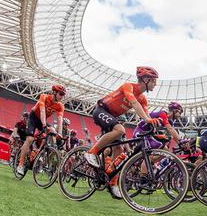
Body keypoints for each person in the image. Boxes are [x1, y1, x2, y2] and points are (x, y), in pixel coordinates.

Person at [83, 66, 161, 198]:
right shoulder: (128, 87)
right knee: (120, 129)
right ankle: (91, 152)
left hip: (113, 117)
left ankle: (113, 183)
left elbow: (145, 116)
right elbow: (135, 105)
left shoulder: (143, 99)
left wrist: (153, 127)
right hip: (102, 110)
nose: (155, 84)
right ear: (146, 79)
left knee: (119, 150)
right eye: (154, 81)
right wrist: (148, 119)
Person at [16, 85, 66, 176]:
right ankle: (20, 164)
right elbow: (42, 111)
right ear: (54, 92)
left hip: (42, 121)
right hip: (33, 117)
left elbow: (60, 120)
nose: (62, 96)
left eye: (64, 95)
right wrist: (44, 125)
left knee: (52, 132)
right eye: (61, 94)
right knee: (30, 139)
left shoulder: (60, 106)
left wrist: (60, 133)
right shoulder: (44, 97)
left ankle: (40, 153)